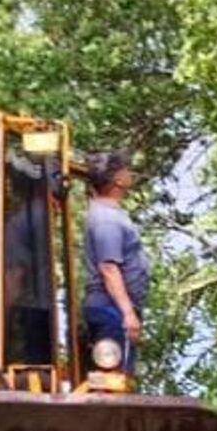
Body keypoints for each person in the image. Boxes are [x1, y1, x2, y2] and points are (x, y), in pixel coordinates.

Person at [81, 150, 148, 372]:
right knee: (114, 382)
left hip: (114, 309)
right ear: (117, 179)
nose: (130, 174)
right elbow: (108, 268)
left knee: (120, 380)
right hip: (111, 311)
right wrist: (128, 313)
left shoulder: (109, 213)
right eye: (126, 170)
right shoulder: (105, 219)